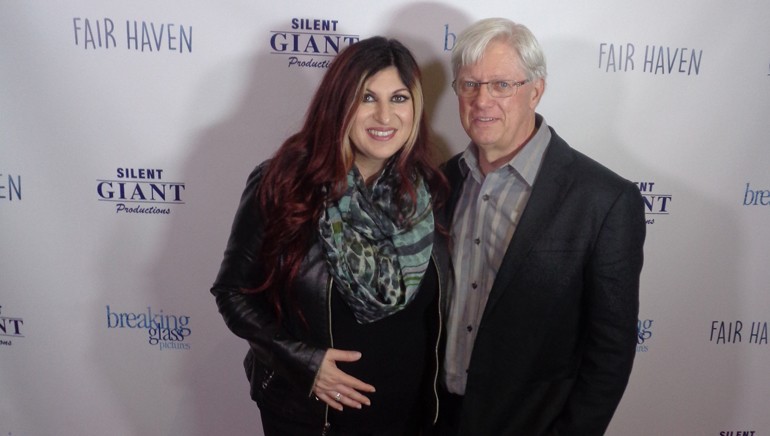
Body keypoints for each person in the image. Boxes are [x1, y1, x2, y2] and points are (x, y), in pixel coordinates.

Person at [210, 36, 450, 436]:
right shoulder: (283, 183)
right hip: (311, 417)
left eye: (399, 98)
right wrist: (304, 362)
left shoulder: (432, 192)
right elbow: (232, 293)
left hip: (406, 417)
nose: (385, 117)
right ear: (340, 103)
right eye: (367, 98)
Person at [437, 18, 646, 435]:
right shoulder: (440, 183)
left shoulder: (603, 200)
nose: (482, 101)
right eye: (469, 85)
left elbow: (610, 351)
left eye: (501, 85)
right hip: (436, 419)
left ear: (535, 90)